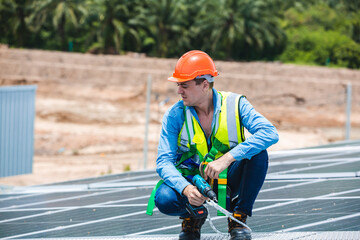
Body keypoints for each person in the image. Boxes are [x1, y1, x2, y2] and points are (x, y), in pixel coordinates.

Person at [146, 50, 279, 240]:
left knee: (258, 154)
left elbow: (270, 133)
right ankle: (192, 216)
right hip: (193, 180)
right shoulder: (174, 115)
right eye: (178, 85)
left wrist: (227, 159)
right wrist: (186, 188)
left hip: (228, 177)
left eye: (184, 85)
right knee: (164, 199)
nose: (178, 91)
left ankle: (237, 216)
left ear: (204, 85)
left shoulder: (235, 104)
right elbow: (163, 162)